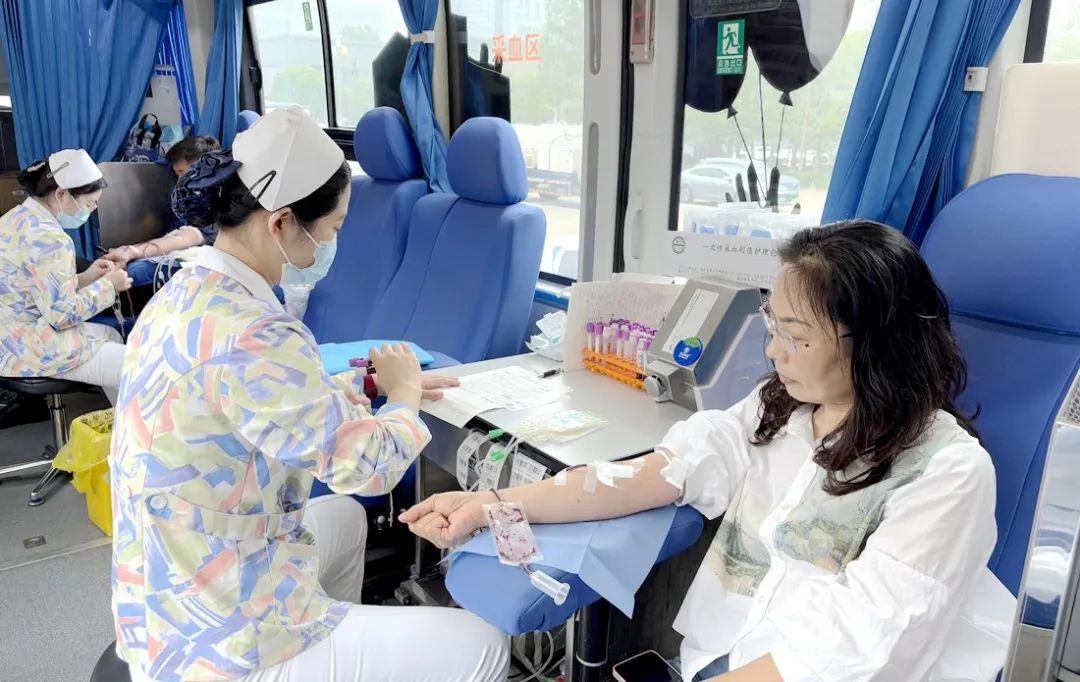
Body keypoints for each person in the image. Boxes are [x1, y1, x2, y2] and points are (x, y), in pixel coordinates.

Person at [403, 221, 1017, 682]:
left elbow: (856, 644)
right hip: (720, 656)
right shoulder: (779, 408)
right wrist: (494, 503)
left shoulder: (947, 472)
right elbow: (650, 475)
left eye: (795, 337)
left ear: (878, 342)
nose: (773, 352)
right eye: (772, 327)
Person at [110, 107, 508, 682]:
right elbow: (369, 471)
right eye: (334, 229)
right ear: (280, 223)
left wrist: (372, 383)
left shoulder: (186, 290)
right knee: (482, 644)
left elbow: (260, 402)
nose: (331, 242)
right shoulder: (257, 332)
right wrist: (403, 400)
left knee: (343, 522)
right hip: (218, 637)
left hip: (165, 583)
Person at [0, 149, 133, 403]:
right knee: (138, 366)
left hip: (8, 338)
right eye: (89, 204)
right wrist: (109, 286)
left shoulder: (15, 218)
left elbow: (39, 288)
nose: (92, 210)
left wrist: (88, 276)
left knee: (111, 335)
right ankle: (129, 426)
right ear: (61, 193)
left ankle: (118, 420)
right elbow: (62, 316)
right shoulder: (51, 239)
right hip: (27, 348)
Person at [103, 135, 222, 267]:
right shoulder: (186, 200)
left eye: (182, 172)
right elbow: (171, 237)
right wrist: (128, 249)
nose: (179, 181)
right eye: (177, 174)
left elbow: (186, 237)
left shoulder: (217, 201)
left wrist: (133, 252)